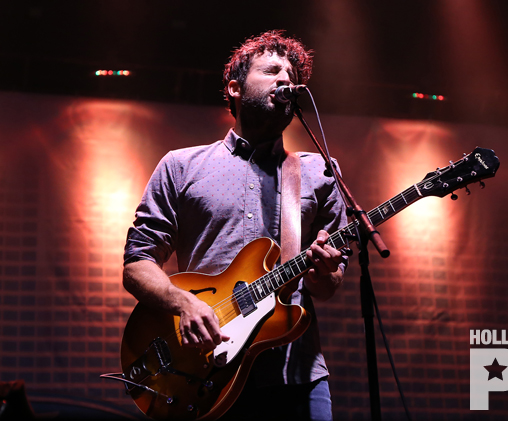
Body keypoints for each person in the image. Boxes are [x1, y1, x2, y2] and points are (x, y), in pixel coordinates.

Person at [123, 30, 347, 421]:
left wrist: (325, 271)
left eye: (292, 74)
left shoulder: (318, 172)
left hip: (295, 375)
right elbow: (137, 264)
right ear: (235, 88)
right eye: (272, 70)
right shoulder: (181, 166)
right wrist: (184, 303)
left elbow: (326, 286)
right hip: (204, 372)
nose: (285, 79)